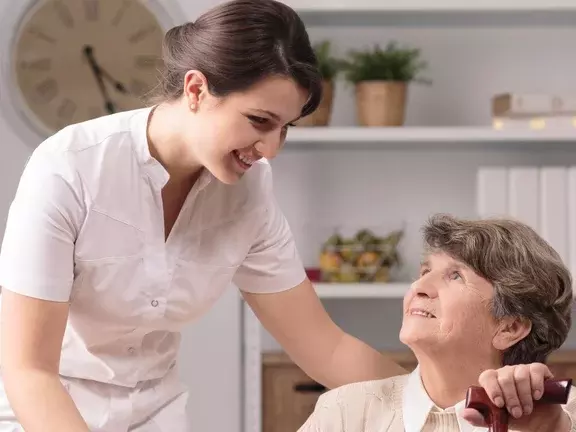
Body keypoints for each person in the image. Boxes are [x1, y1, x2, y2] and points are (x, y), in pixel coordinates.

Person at [0, 1, 407, 431]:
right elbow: (31, 372)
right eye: (259, 120)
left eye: (285, 128)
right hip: (44, 412)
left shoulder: (249, 195)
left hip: (155, 414)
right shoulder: (70, 168)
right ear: (195, 90)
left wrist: (445, 407)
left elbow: (326, 349)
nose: (271, 149)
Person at [298, 213, 576, 432]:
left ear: (509, 327)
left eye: (456, 276)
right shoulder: (345, 412)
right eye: (425, 271)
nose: (420, 286)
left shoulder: (565, 414)